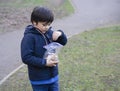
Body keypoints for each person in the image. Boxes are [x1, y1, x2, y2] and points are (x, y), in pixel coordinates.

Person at [21, 6, 67, 91]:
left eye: (49, 24)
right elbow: (26, 58)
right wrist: (45, 62)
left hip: (54, 77)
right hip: (39, 80)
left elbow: (63, 42)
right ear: (34, 22)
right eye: (44, 24)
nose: (47, 27)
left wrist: (60, 34)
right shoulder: (29, 38)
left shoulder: (49, 32)